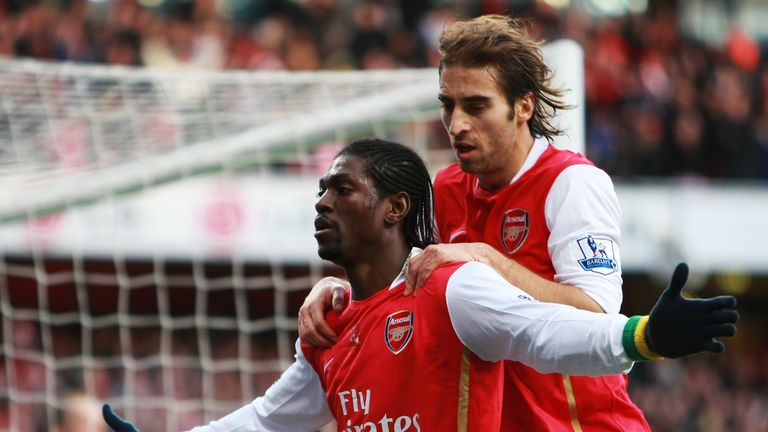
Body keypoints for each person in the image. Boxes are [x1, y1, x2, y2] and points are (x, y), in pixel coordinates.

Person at [102, 138, 738, 432]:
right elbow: (269, 422)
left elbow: (541, 332)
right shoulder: (330, 328)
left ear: (396, 208)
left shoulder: (449, 290)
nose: (322, 203)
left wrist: (643, 335)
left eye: (342, 189)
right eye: (320, 190)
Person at [297, 14, 678, 431]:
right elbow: (406, 283)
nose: (457, 124)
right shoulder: (445, 186)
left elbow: (598, 316)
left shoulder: (571, 183)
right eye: (448, 105)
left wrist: (486, 258)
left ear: (523, 106)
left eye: (476, 106)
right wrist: (338, 291)